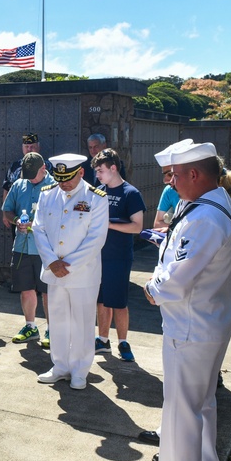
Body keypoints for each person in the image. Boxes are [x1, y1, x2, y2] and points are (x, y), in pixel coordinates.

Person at [140, 141, 231, 461]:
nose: (171, 182)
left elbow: (177, 277)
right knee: (201, 404)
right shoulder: (212, 204)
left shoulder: (204, 216)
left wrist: (153, 288)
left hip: (191, 325)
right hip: (208, 322)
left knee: (182, 406)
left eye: (175, 175)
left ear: (195, 174)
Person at [32, 154, 109, 390]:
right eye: (60, 177)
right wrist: (51, 261)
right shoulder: (47, 194)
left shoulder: (96, 198)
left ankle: (79, 370)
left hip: (83, 274)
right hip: (54, 272)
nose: (63, 183)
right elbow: (38, 229)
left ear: (81, 173)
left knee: (82, 323)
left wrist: (68, 265)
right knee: (57, 320)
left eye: (68, 178)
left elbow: (96, 238)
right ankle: (60, 366)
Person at [92, 148, 146, 362]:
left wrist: (109, 225)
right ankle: (102, 340)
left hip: (119, 256)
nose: (98, 175)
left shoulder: (130, 193)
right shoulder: (99, 191)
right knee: (101, 300)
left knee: (119, 302)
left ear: (113, 168)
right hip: (98, 256)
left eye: (100, 171)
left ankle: (123, 342)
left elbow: (137, 227)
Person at [2, 153, 55, 348]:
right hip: (23, 246)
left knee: (48, 292)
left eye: (34, 174)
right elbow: (7, 210)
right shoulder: (18, 185)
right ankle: (30, 326)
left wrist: (38, 224)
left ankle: (52, 330)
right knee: (26, 289)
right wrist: (16, 220)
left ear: (44, 169)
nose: (31, 179)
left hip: (46, 249)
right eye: (28, 175)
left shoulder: (55, 187)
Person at [1, 133, 52, 208]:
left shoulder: (49, 166)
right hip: (20, 211)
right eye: (26, 146)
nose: (29, 149)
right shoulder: (15, 167)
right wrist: (6, 213)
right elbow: (6, 189)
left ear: (38, 147)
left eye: (32, 146)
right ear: (22, 148)